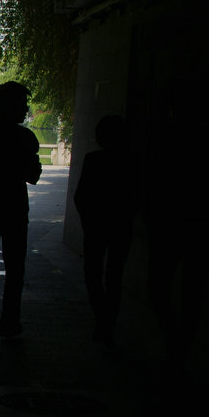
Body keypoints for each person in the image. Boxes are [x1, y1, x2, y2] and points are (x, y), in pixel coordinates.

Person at [0, 81, 42, 349]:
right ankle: (10, 322)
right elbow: (33, 176)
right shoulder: (25, 139)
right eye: (23, 105)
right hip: (14, 211)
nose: (26, 110)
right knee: (15, 269)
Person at [74, 114, 135, 346]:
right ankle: (108, 320)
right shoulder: (132, 162)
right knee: (114, 276)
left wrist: (88, 222)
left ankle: (102, 316)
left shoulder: (93, 160)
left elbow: (81, 196)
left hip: (96, 226)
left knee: (92, 273)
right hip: (121, 226)